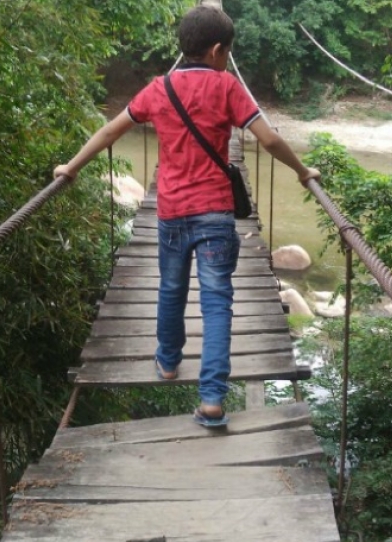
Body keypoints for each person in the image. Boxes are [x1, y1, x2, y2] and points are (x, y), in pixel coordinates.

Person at [54, 5, 319, 427]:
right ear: (217, 50)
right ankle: (212, 399)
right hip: (216, 216)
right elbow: (268, 138)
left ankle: (168, 362)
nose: (228, 59)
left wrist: (71, 166)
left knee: (171, 291)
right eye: (228, 52)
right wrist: (303, 172)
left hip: (172, 213)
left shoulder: (159, 89)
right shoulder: (228, 87)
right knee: (217, 305)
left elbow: (109, 133)